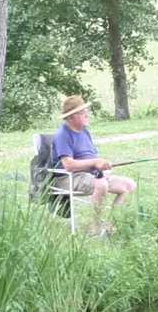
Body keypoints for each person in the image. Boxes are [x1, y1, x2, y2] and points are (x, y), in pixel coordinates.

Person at [52, 95, 136, 234]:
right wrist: (96, 163)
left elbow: (91, 158)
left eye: (86, 111)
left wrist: (102, 167)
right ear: (71, 117)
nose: (87, 115)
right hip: (66, 178)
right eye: (82, 113)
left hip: (91, 175)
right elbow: (69, 165)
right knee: (101, 184)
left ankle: (113, 223)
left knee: (129, 185)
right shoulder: (63, 135)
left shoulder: (84, 132)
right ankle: (95, 226)